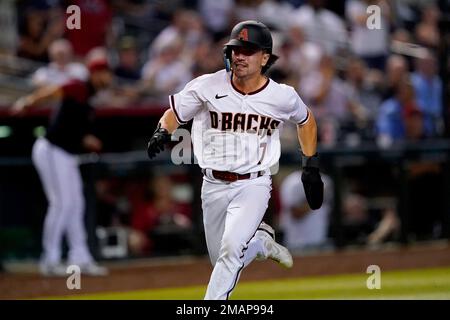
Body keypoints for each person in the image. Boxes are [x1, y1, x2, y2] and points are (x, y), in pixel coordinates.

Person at [146, 21, 324, 300]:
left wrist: (310, 165)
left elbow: (307, 120)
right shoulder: (207, 85)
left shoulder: (281, 96)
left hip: (253, 184)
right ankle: (261, 242)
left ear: (265, 58)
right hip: (212, 184)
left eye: (248, 51)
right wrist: (162, 130)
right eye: (235, 50)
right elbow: (176, 112)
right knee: (222, 258)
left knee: (230, 251)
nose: (239, 56)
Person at [11, 54, 112, 277]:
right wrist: (28, 102)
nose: (108, 77)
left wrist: (86, 139)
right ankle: (50, 259)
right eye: (104, 72)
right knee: (62, 204)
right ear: (95, 73)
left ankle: (80, 258)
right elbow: (53, 91)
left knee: (76, 204)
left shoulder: (89, 96)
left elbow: (73, 125)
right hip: (51, 149)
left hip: (66, 153)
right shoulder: (79, 86)